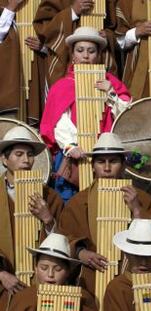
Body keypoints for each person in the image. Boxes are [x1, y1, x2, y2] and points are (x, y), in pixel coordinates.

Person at [58, 133, 151, 297]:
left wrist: (137, 211)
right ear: (92, 166)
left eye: (113, 161)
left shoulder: (146, 201)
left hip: (132, 282)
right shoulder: (77, 203)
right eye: (100, 162)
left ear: (124, 165)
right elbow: (62, 237)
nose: (106, 168)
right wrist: (80, 253)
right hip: (91, 279)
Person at [39, 26, 131, 202]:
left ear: (99, 55)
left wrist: (111, 93)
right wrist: (70, 146)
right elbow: (58, 121)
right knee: (71, 206)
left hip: (105, 155)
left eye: (91, 51)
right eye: (80, 51)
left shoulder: (111, 82)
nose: (86, 56)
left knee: (106, 203)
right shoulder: (61, 85)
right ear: (73, 55)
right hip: (72, 154)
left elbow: (127, 116)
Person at [0, 126, 64, 311]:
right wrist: (2, 274)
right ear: (5, 159)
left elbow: (65, 244)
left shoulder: (50, 197)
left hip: (40, 287)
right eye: (18, 154)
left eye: (29, 154)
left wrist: (48, 220)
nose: (26, 160)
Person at [33, 0, 118, 86]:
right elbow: (44, 27)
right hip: (64, 60)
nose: (85, 56)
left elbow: (118, 30)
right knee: (64, 94)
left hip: (99, 61)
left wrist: (108, 35)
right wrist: (72, 12)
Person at [8, 233, 97, 310]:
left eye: (58, 269)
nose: (50, 274)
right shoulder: (22, 298)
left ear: (68, 271)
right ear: (36, 269)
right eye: (44, 268)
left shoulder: (83, 298)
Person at [0, 0, 47, 123]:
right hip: (6, 89)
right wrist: (10, 8)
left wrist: (44, 47)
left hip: (35, 82)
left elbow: (63, 44)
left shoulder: (43, 5)